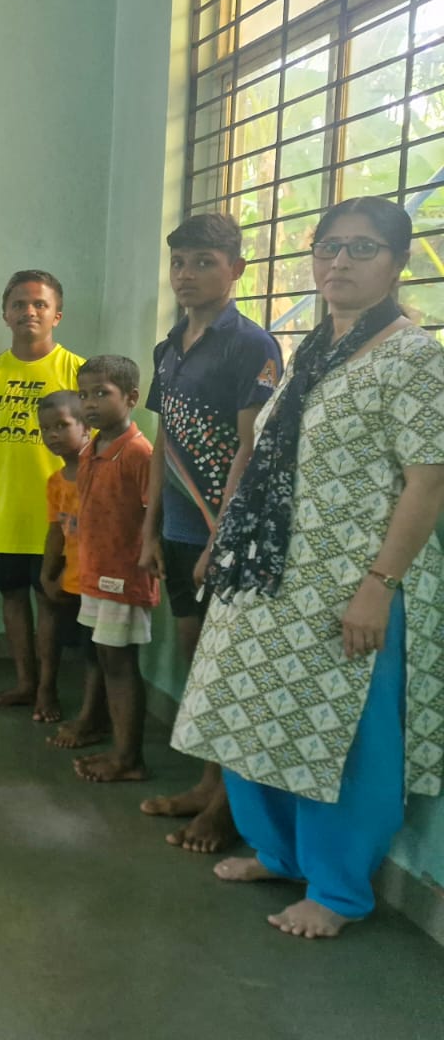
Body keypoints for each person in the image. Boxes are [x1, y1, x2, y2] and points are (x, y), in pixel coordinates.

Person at [173, 197, 444, 940]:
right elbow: (266, 456)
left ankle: (337, 889)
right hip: (271, 571)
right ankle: (279, 851)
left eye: (361, 249)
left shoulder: (414, 358)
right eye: (329, 248)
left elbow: (429, 481)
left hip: (351, 582)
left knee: (341, 737)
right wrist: (225, 542)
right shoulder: (312, 350)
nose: (339, 263)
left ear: (398, 262)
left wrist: (377, 586)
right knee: (253, 715)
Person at [136, 213, 281, 851]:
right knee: (198, 662)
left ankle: (226, 806)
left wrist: (222, 538)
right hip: (176, 528)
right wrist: (149, 530)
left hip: (226, 533)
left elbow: (250, 449)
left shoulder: (254, 346)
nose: (187, 275)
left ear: (236, 269)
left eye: (203, 262)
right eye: (179, 263)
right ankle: (206, 782)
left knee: (224, 668)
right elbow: (162, 444)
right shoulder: (169, 347)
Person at [0, 270, 84, 721]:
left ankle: (48, 690)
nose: (28, 312)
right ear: (5, 313)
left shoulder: (76, 371)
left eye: (39, 304)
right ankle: (25, 684)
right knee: (11, 597)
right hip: (3, 510)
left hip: (59, 519)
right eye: (19, 304)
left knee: (51, 597)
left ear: (57, 314)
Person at [69, 356, 159, 784]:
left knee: (122, 663)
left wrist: (145, 558)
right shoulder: (92, 447)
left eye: (102, 393)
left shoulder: (139, 453)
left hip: (124, 576)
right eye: (84, 395)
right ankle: (114, 742)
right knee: (106, 657)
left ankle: (129, 758)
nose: (90, 403)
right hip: (95, 572)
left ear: (132, 398)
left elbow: (152, 514)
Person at [36, 391, 109, 751]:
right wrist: (47, 574)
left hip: (99, 578)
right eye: (45, 429)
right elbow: (56, 531)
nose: (52, 435)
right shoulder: (56, 481)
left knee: (96, 651)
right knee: (71, 638)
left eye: (62, 426)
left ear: (86, 428)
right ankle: (45, 691)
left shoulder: (101, 471)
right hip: (71, 576)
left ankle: (90, 717)